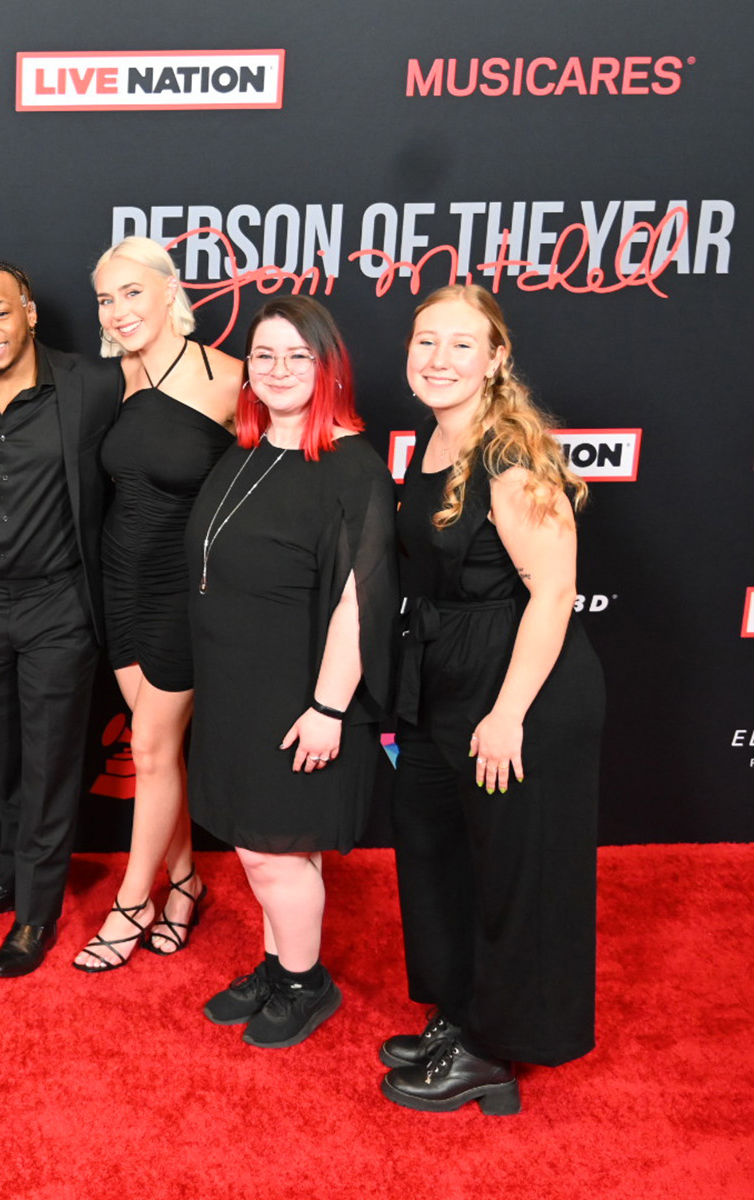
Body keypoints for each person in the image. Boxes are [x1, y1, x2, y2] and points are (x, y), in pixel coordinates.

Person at [381, 285, 604, 1114]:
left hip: (521, 688)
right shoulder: (434, 442)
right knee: (438, 852)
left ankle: (495, 1050)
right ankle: (462, 1013)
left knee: (514, 873)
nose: (438, 359)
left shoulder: (512, 455)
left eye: (460, 345)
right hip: (445, 680)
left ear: (496, 358)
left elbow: (554, 592)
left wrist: (507, 714)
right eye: (424, 342)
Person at [185, 296, 395, 1047]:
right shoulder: (246, 449)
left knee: (271, 854)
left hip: (298, 696)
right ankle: (278, 969)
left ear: (326, 367)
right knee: (272, 846)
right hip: (237, 690)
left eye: (296, 357)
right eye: (264, 356)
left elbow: (358, 601)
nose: (277, 371)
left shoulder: (352, 468)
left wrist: (329, 708)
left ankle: (307, 985)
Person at [0, 261, 124, 977]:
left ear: (31, 314)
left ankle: (34, 918)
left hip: (59, 607)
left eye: (0, 314)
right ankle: (11, 880)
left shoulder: (92, 386)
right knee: (8, 758)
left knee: (48, 767)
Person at [75, 237, 240, 971]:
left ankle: (130, 903)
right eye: (107, 298)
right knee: (157, 751)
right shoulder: (113, 379)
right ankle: (185, 883)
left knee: (147, 747)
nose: (118, 310)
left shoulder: (233, 379)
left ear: (174, 293)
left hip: (184, 591)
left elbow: (295, 471)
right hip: (119, 585)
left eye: (132, 292)